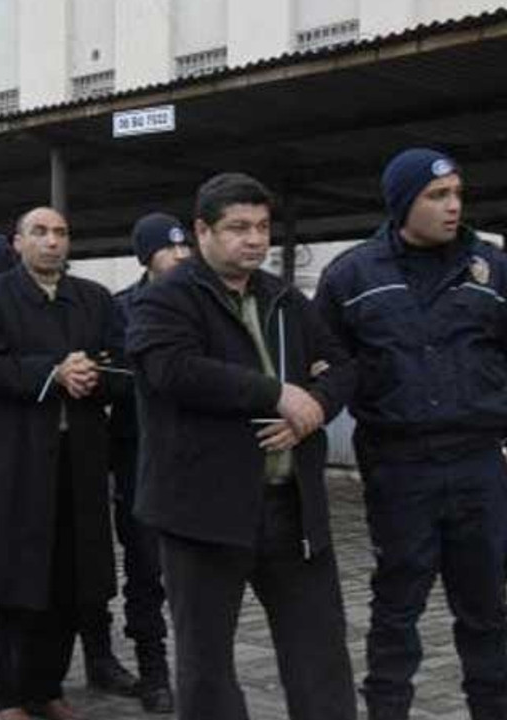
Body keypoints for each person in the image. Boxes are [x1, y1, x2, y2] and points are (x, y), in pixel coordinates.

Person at [127, 174, 357, 720]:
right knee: (207, 667)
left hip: (291, 508)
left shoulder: (284, 298)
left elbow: (344, 365)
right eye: (238, 228)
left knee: (320, 656)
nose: (254, 240)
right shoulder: (167, 299)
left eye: (262, 228)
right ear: (202, 231)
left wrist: (315, 409)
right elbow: (173, 369)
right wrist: (278, 392)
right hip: (201, 513)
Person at [317, 149, 507, 720]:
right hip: (400, 468)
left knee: (487, 611)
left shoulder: (492, 268)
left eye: (457, 193)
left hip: (479, 465)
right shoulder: (351, 275)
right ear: (402, 203)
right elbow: (326, 365)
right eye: (436, 196)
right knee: (396, 608)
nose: (453, 206)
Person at [0, 207, 124, 720]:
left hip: (79, 462)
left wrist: (91, 375)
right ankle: (9, 693)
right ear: (18, 242)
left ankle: (48, 687)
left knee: (73, 581)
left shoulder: (94, 299)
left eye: (60, 233)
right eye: (40, 232)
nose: (52, 242)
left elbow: (125, 366)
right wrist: (52, 373)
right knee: (19, 581)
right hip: (18, 463)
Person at [104, 212, 193, 714]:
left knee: (199, 573)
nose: (180, 255)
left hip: (199, 459)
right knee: (145, 570)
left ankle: (201, 670)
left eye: (185, 247)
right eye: (169, 248)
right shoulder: (120, 310)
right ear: (145, 256)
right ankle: (153, 670)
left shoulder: (207, 301)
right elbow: (111, 377)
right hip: (140, 457)